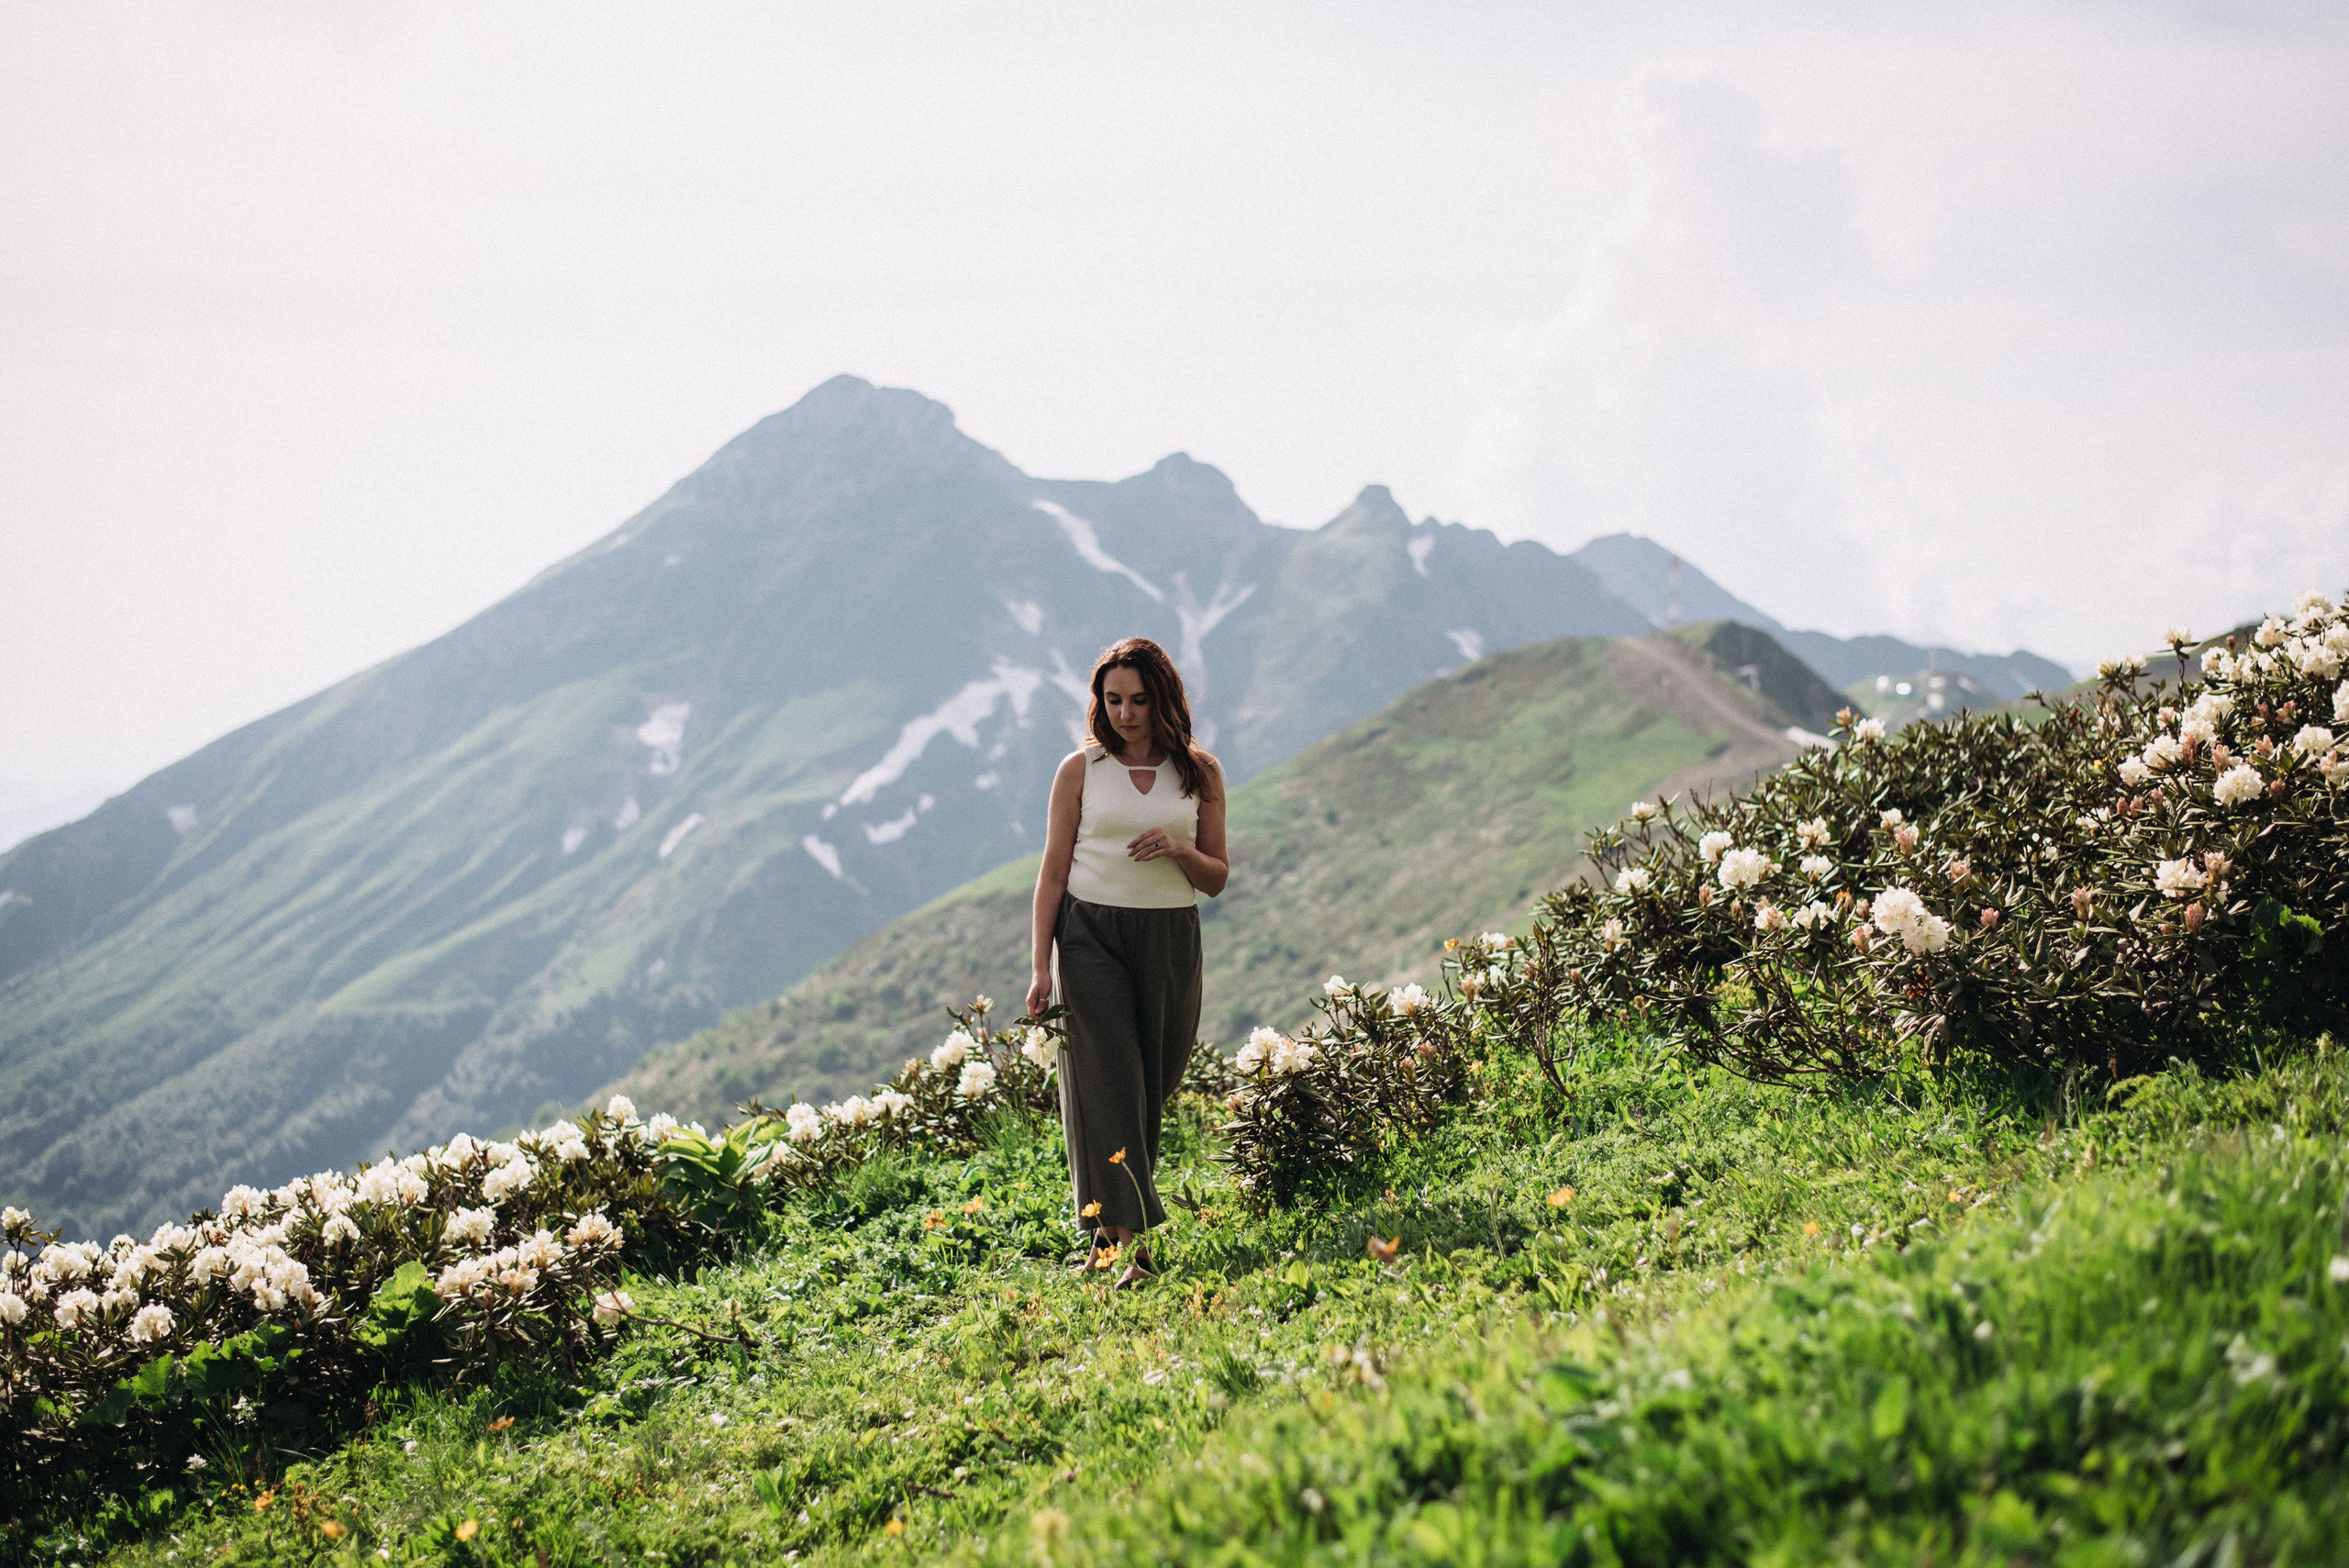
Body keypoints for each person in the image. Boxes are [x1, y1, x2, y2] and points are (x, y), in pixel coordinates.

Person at [1026, 638, 1228, 1288]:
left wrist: (1176, 846)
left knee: (1148, 1088)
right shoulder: (1079, 770)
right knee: (1109, 1080)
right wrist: (1040, 966)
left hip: (1169, 937)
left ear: (1162, 698)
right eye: (1113, 699)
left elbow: (1218, 877)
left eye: (1139, 699)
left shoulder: (1199, 773)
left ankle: (1103, 1233)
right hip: (1089, 936)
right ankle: (1135, 1248)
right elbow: (1052, 872)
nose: (1125, 712)